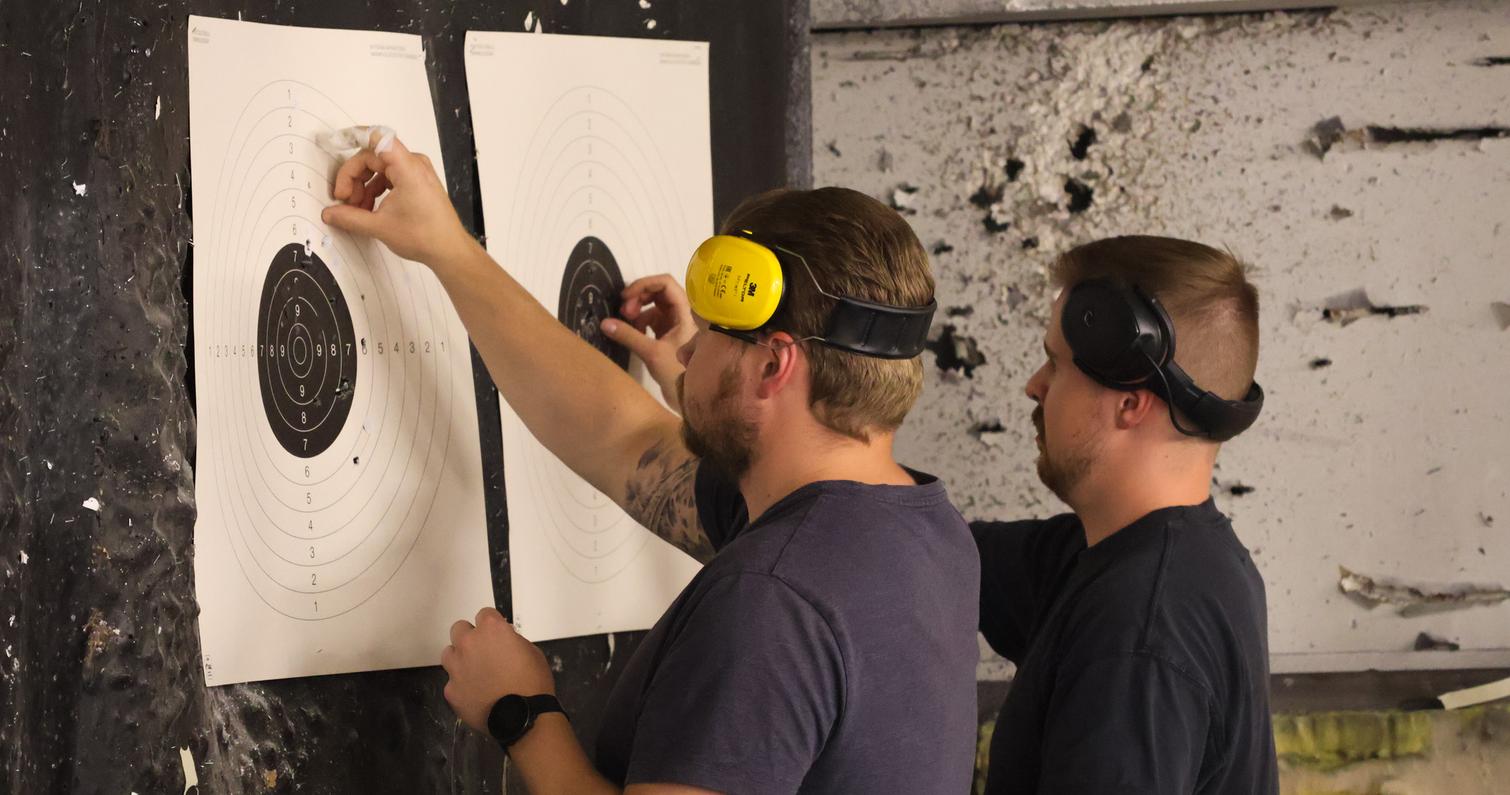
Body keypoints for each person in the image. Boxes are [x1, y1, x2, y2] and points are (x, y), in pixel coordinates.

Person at [320, 135, 980, 794]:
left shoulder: (772, 598)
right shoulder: (924, 534)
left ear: (772, 367)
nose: (688, 352)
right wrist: (447, 248)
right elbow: (617, 436)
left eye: (712, 334)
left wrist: (520, 712)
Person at [616, 236, 1280, 794]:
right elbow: (871, 530)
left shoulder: (1138, 639)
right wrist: (724, 387)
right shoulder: (1152, 560)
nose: (1034, 385)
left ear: (1130, 404)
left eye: (1056, 365)